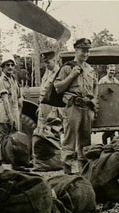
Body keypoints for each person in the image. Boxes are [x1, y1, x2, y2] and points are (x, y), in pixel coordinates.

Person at [54, 38, 98, 174]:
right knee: (69, 140)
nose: (86, 53)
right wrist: (72, 75)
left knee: (85, 142)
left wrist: (94, 105)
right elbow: (57, 88)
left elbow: (96, 87)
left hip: (87, 107)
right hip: (73, 106)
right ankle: (67, 172)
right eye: (83, 50)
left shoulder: (90, 69)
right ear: (76, 50)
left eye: (87, 51)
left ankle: (84, 172)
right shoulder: (68, 67)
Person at [0, 54, 22, 168]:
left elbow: (19, 96)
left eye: (12, 65)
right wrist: (11, 118)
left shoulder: (13, 79)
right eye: (7, 65)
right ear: (2, 67)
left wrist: (17, 114)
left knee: (15, 137)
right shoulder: (1, 81)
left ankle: (15, 162)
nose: (10, 67)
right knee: (0, 137)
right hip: (4, 113)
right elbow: (5, 101)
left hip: (14, 112)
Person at [37, 50, 62, 131]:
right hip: (43, 105)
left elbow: (58, 93)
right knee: (41, 129)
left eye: (48, 62)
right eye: (45, 63)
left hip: (52, 107)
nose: (46, 65)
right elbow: (43, 89)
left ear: (54, 60)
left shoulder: (59, 72)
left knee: (51, 130)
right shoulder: (48, 72)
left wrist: (54, 111)